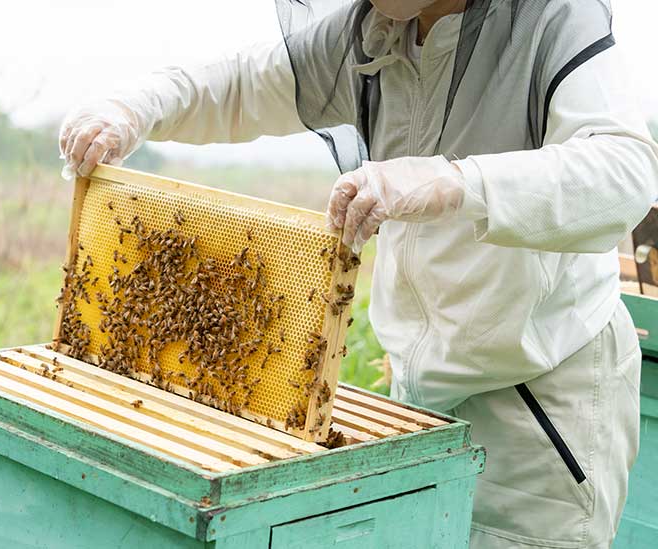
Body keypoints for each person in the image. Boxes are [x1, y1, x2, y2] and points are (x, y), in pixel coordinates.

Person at [59, 1, 658, 547]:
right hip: (418, 405)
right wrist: (136, 105)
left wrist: (457, 182)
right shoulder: (373, 31)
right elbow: (242, 83)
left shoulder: (553, 16)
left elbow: (624, 171)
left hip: (537, 405)